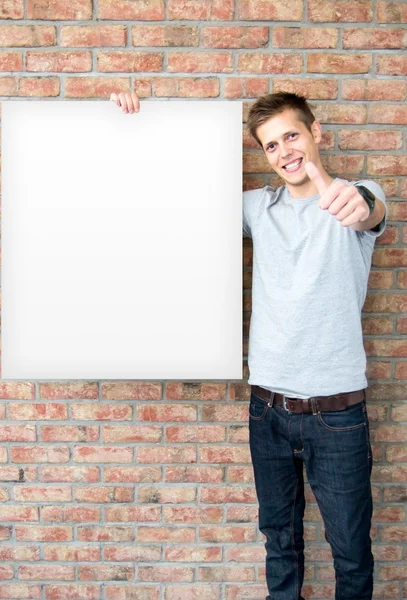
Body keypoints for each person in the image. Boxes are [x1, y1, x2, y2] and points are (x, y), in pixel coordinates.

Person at [110, 91, 387, 600]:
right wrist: (137, 124)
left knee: (350, 549)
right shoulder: (259, 207)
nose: (283, 151)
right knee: (279, 546)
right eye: (270, 145)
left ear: (315, 132)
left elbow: (364, 212)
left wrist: (341, 190)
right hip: (268, 411)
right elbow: (171, 200)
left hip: (338, 415)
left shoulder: (357, 195)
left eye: (291, 136)